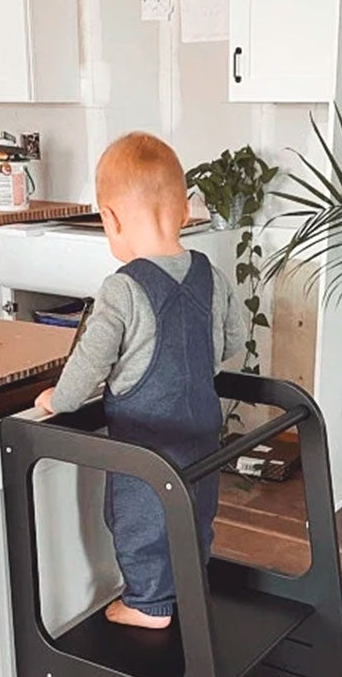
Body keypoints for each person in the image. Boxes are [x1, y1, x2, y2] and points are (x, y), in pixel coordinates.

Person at [35, 132, 244, 629]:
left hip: (145, 442)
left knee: (138, 519)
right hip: (201, 433)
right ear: (184, 211)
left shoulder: (122, 289)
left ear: (110, 219)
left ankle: (149, 605)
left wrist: (57, 400)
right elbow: (233, 342)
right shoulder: (211, 275)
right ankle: (191, 584)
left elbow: (90, 363)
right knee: (195, 513)